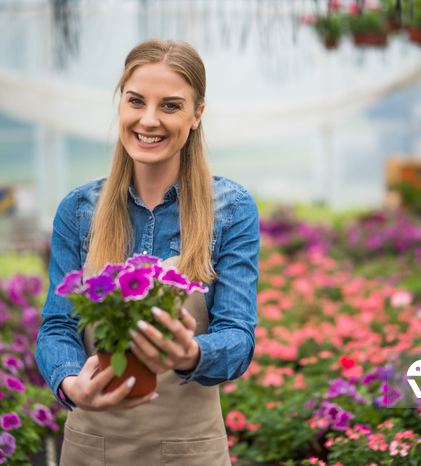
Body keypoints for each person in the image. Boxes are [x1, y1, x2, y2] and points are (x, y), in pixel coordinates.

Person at [35, 39, 260, 465]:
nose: (149, 120)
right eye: (136, 100)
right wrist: (69, 382)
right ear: (121, 103)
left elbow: (239, 336)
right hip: (93, 449)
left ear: (197, 115)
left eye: (171, 106)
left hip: (190, 451)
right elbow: (58, 326)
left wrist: (192, 353)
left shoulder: (230, 209)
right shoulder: (80, 211)